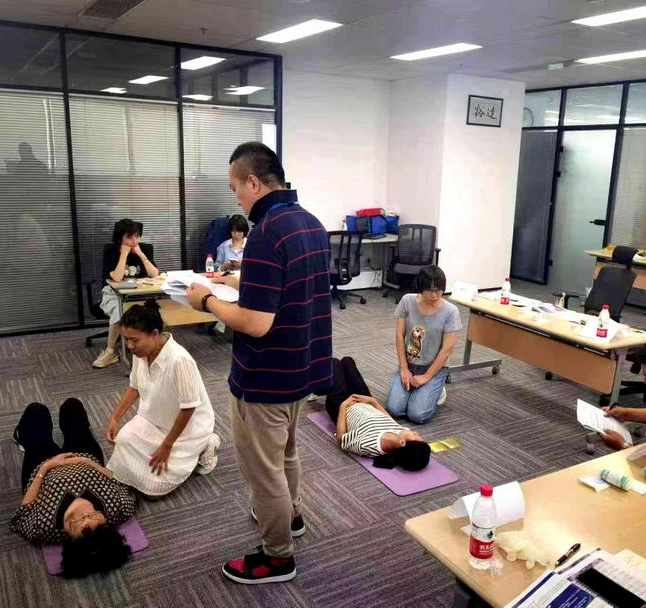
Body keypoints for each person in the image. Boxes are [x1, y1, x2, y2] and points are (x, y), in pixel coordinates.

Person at [186, 141, 332, 585]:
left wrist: (207, 299)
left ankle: (277, 557)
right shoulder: (309, 222)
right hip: (299, 366)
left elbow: (254, 322)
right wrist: (235, 277)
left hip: (264, 374)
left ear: (253, 182)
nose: (237, 200)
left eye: (236, 190)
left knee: (262, 470)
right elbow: (287, 282)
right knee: (286, 452)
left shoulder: (266, 230)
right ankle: (293, 517)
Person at [9, 399, 136, 578]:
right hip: (84, 457)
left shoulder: (44, 528)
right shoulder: (119, 509)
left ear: (69, 536)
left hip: (42, 466)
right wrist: (88, 462)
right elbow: (119, 480)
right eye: (94, 517)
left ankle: (22, 437)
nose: (85, 515)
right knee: (72, 406)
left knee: (37, 412)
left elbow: (21, 514)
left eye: (80, 523)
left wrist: (47, 467)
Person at [106, 301, 220, 497]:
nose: (130, 346)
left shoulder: (179, 360)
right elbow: (134, 387)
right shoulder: (140, 353)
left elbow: (188, 409)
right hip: (154, 418)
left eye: (134, 340)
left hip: (188, 428)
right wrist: (115, 417)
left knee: (153, 492)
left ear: (155, 334)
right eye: (126, 339)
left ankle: (206, 444)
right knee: (124, 441)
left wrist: (167, 446)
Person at [385, 266, 461, 424]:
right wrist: (404, 368)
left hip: (433, 367)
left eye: (439, 290)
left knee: (417, 415)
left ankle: (437, 389)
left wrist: (427, 376)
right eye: (430, 290)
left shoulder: (451, 311)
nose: (434, 295)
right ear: (421, 288)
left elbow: (447, 350)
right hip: (410, 364)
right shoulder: (407, 301)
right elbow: (400, 336)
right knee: (394, 409)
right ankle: (420, 390)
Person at [326, 357, 431, 469]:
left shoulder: (367, 445)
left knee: (334, 363)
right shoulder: (402, 434)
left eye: (415, 436)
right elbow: (388, 419)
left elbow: (341, 439)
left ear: (402, 443)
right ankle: (326, 384)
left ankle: (318, 387)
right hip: (366, 402)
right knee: (347, 362)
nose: (415, 432)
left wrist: (343, 406)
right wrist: (372, 401)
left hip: (342, 406)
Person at [92, 219, 159, 369]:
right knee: (119, 309)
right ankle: (110, 352)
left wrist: (141, 255)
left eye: (137, 236)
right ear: (120, 238)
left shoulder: (144, 249)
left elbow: (155, 274)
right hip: (113, 293)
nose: (134, 241)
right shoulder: (111, 251)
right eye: (129, 237)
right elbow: (116, 278)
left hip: (139, 293)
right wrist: (124, 255)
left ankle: (152, 345)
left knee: (159, 308)